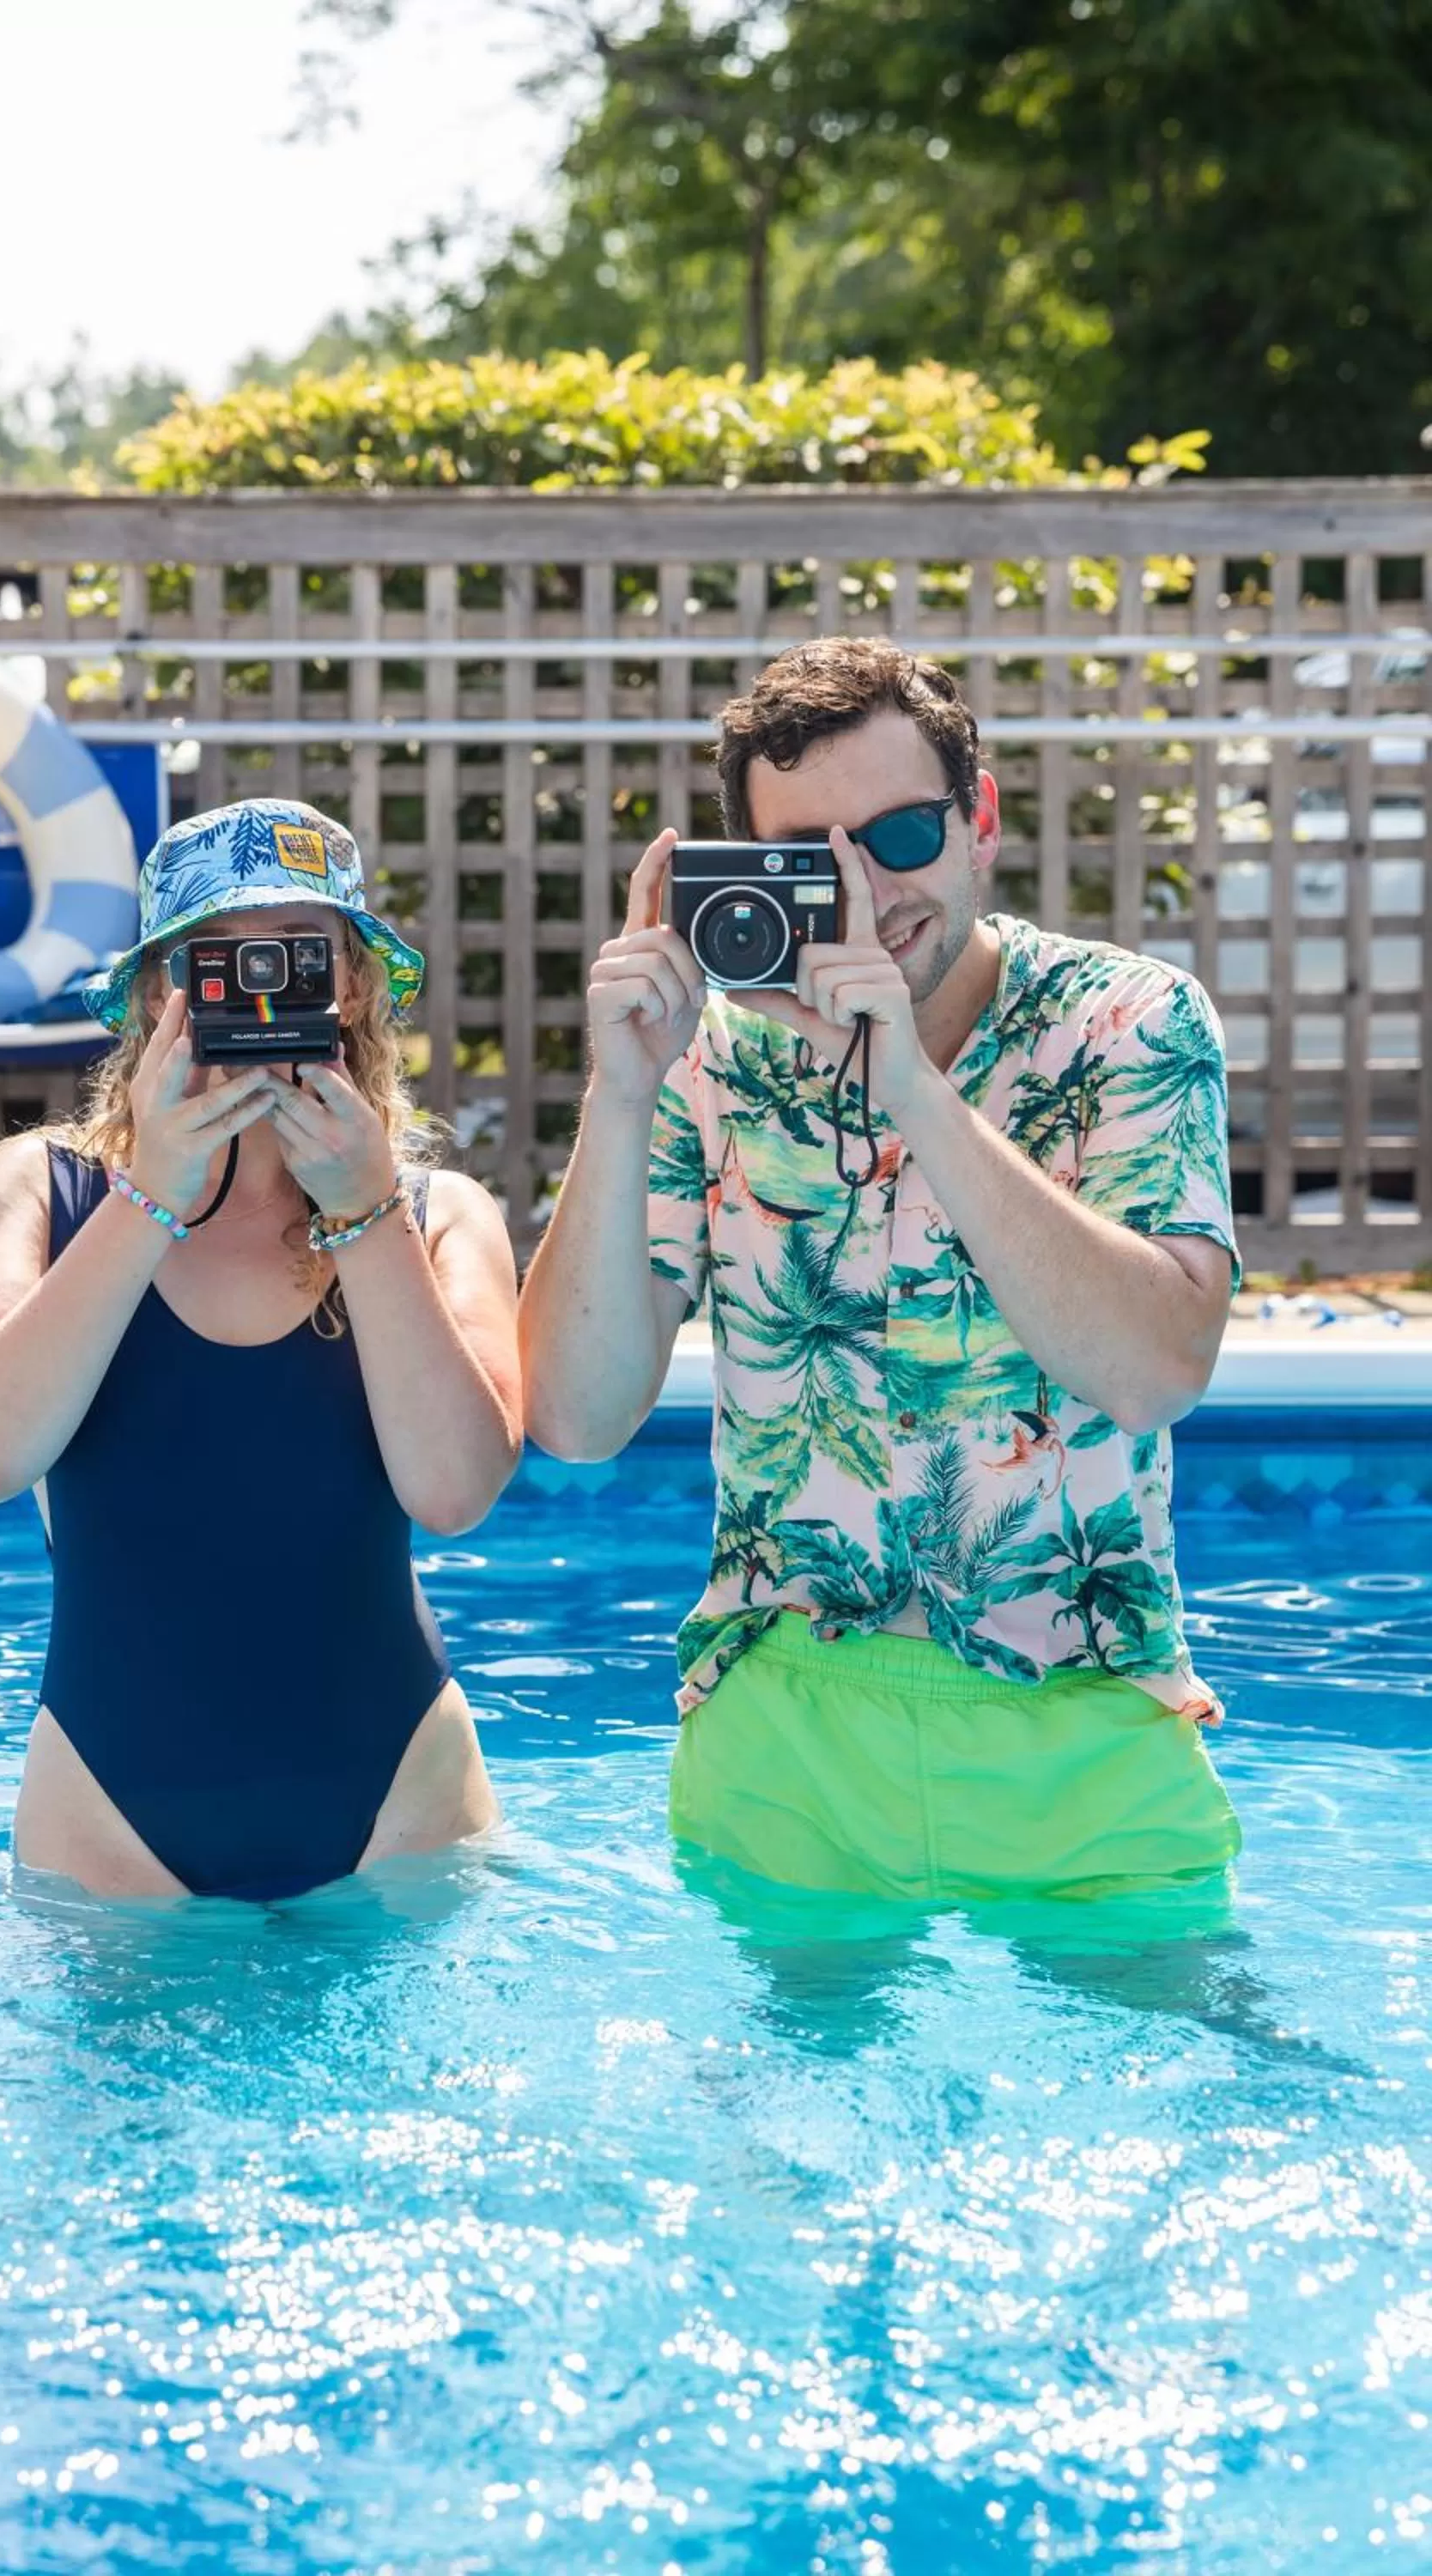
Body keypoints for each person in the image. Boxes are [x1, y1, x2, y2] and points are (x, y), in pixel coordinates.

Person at [519, 636, 1242, 1906]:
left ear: (982, 824)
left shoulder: (1130, 1021)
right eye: (812, 861)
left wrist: (907, 1078)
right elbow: (577, 1423)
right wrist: (622, 1092)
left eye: (901, 835)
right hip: (787, 1726)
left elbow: (1154, 1371)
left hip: (1085, 1714)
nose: (865, 897)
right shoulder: (712, 1054)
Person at [0, 798, 522, 1904]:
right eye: (218, 963)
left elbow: (454, 1494)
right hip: (109, 1829)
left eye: (296, 958)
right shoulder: (45, 1195)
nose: (257, 990)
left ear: (349, 985)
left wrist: (362, 1210)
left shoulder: (437, 1214)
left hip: (404, 1815)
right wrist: (151, 1194)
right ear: (160, 996)